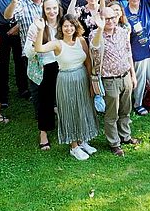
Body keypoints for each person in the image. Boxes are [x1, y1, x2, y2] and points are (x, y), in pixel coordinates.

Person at [32, 16, 100, 160]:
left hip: (82, 77)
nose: (69, 29)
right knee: (70, 111)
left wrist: (91, 82)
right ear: (61, 28)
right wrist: (40, 30)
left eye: (71, 26)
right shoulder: (57, 44)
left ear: (76, 27)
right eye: (65, 26)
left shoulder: (81, 40)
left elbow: (88, 61)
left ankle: (82, 141)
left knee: (83, 108)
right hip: (66, 80)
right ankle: (74, 146)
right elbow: (39, 48)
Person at [90, 3, 140, 157]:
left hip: (125, 76)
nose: (110, 21)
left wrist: (132, 75)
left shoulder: (123, 32)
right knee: (112, 114)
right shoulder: (95, 35)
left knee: (126, 110)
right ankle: (114, 143)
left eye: (112, 18)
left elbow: (128, 53)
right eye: (106, 19)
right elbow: (94, 47)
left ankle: (125, 136)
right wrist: (99, 28)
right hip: (109, 80)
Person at [22, 0, 62, 150]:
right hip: (43, 68)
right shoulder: (37, 26)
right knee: (44, 102)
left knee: (62, 98)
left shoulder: (63, 24)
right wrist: (34, 44)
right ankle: (43, 132)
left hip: (61, 66)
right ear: (43, 10)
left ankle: (64, 126)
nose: (52, 11)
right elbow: (28, 53)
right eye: (48, 8)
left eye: (54, 8)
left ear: (58, 8)